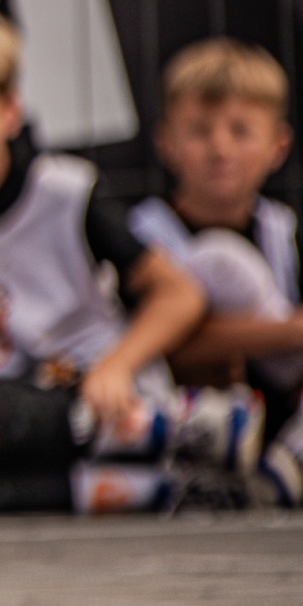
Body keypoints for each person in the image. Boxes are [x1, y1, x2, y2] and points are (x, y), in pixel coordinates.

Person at [0, 11, 245, 515]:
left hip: (88, 392)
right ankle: (165, 487)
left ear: (9, 109)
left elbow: (180, 294)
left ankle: (170, 427)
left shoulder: (65, 193)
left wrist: (116, 367)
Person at [128, 38, 303, 506]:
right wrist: (287, 333)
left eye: (240, 131)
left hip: (277, 426)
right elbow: (160, 347)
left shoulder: (284, 231)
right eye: (200, 131)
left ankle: (281, 471)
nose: (220, 148)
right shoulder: (142, 238)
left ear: (278, 145)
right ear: (166, 143)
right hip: (179, 423)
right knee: (220, 260)